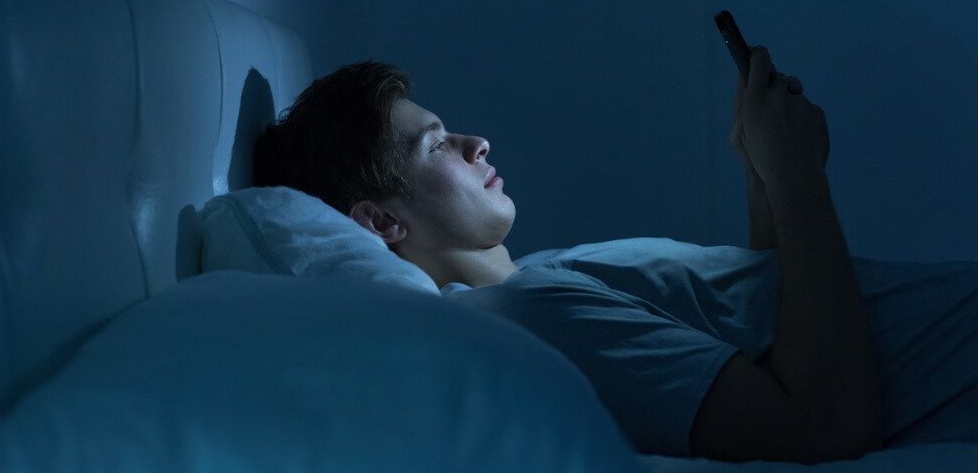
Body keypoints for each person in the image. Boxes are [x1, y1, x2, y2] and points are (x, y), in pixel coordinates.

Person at [253, 47, 978, 464]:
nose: (476, 143)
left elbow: (763, 325)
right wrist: (800, 181)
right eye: (435, 142)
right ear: (380, 223)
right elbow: (821, 427)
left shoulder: (546, 278)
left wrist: (762, 176)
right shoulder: (532, 314)